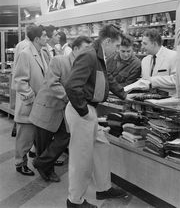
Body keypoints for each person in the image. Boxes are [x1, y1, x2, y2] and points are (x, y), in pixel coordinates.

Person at [65, 24, 128, 208]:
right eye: (116, 46)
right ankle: (75, 201)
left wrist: (124, 94)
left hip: (88, 110)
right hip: (81, 111)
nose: (117, 51)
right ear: (107, 41)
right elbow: (72, 85)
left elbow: (108, 78)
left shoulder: (100, 56)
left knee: (102, 147)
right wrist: (84, 111)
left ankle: (103, 188)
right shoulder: (89, 54)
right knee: (81, 158)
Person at [29, 36, 93, 182]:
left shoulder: (83, 67)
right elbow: (52, 83)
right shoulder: (59, 60)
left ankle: (41, 163)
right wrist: (70, 98)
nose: (88, 53)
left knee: (64, 137)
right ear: (75, 49)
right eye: (85, 49)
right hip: (47, 108)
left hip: (64, 112)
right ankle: (47, 170)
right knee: (43, 144)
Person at [13, 25, 49, 176]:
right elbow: (20, 81)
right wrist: (32, 99)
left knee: (33, 136)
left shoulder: (41, 53)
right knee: (25, 137)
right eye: (45, 36)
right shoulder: (25, 54)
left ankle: (35, 159)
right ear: (37, 39)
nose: (47, 38)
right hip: (29, 105)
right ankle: (20, 163)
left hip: (39, 105)